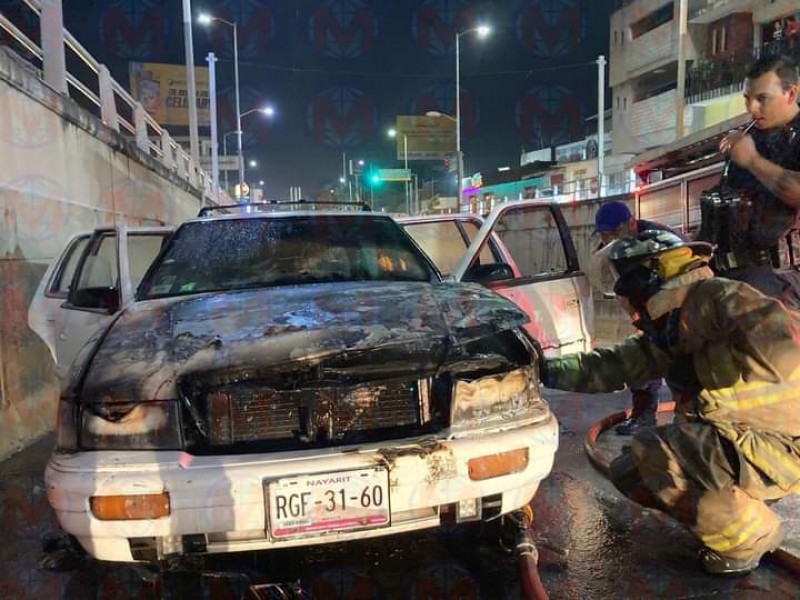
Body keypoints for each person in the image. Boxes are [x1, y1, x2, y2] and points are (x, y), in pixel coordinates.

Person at [539, 230, 800, 576]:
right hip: (740, 448)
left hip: (780, 448)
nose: (632, 314)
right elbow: (610, 366)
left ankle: (751, 537)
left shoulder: (722, 301)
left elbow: (781, 349)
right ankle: (727, 513)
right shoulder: (674, 332)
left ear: (647, 286)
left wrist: (704, 307)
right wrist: (541, 369)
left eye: (631, 299)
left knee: (654, 447)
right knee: (628, 471)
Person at [711, 53, 800, 309]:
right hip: (735, 277)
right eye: (748, 99)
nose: (752, 108)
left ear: (790, 94)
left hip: (785, 282)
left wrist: (752, 161)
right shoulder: (748, 138)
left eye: (762, 99)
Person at [590, 201, 681, 436]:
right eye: (604, 235)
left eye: (613, 233)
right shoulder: (612, 250)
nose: (609, 240)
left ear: (631, 223)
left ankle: (688, 419)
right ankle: (643, 417)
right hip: (646, 308)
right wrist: (637, 317)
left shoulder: (661, 240)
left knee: (681, 365)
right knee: (643, 366)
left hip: (678, 305)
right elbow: (619, 287)